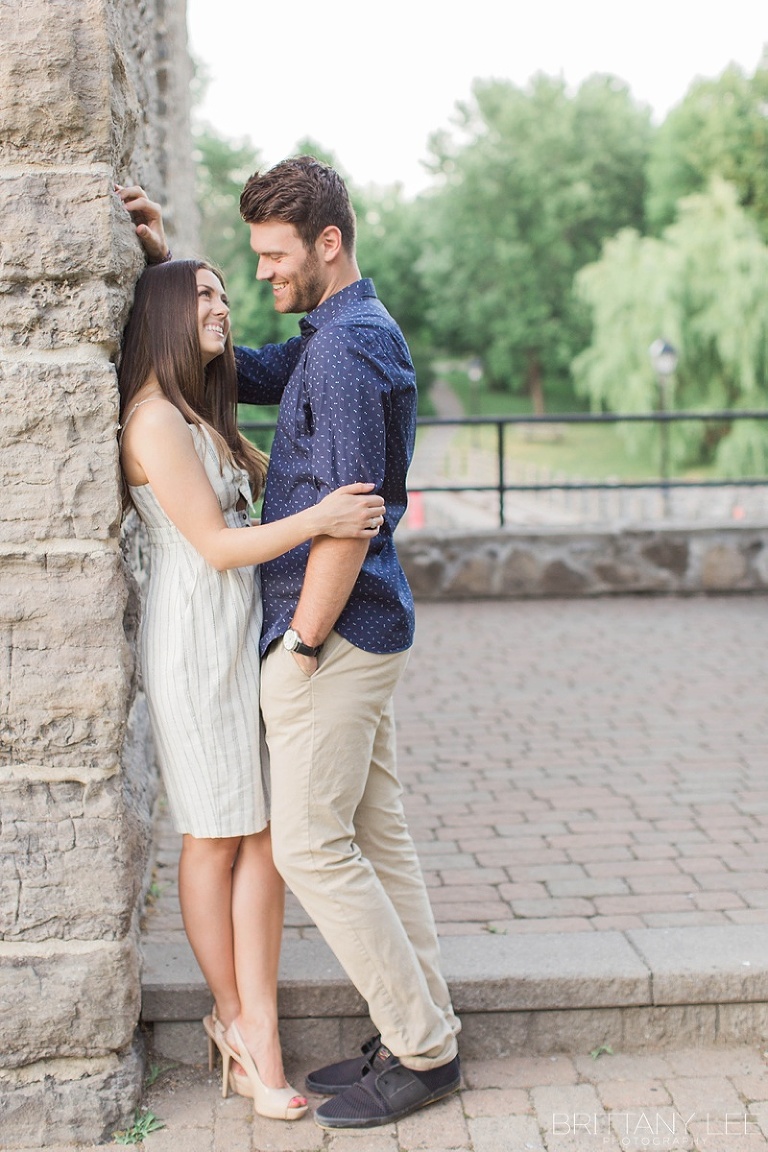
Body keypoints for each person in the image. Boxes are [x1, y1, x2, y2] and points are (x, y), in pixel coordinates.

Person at [118, 158, 461, 1131]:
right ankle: (420, 1030)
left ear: (329, 244)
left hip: (336, 636)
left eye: (273, 257)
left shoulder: (349, 355)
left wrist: (302, 643)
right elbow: (218, 359)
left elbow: (347, 522)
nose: (261, 274)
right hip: (359, 633)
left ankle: (424, 1051)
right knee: (379, 838)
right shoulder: (329, 339)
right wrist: (168, 271)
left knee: (311, 847)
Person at [117, 256, 386, 1123]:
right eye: (204, 294)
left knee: (265, 835)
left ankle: (255, 1020)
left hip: (242, 635)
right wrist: (320, 522)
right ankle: (240, 1027)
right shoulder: (154, 421)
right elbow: (220, 545)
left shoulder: (203, 414)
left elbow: (285, 485)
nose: (223, 304)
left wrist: (328, 507)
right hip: (196, 640)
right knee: (215, 835)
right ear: (165, 314)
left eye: (228, 292)